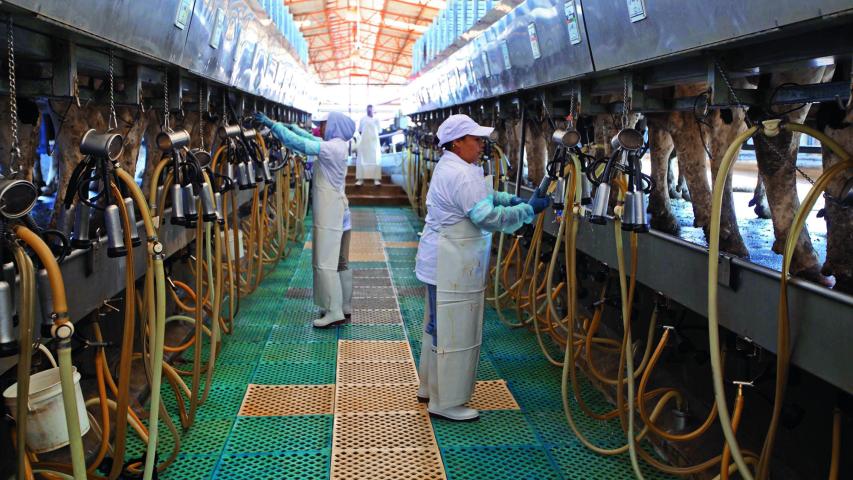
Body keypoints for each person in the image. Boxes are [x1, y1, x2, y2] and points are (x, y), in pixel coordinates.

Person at [414, 114, 551, 421]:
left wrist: (509, 198)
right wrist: (526, 210)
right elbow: (486, 217)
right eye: (475, 139)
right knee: (452, 332)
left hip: (446, 260)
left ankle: (429, 388)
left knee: (437, 326)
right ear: (457, 142)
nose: (481, 144)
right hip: (451, 263)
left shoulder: (456, 166)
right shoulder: (460, 174)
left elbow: (483, 195)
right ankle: (445, 403)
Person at [255, 111, 354, 328]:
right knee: (340, 262)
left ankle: (333, 310)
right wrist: (289, 126)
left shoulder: (331, 148)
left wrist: (274, 126)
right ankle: (344, 306)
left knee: (325, 261)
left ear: (335, 126)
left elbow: (300, 144)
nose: (322, 128)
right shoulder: (338, 145)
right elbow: (309, 138)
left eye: (325, 124)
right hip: (340, 212)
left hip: (331, 215)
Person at [355, 104, 382, 186]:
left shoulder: (377, 119)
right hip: (364, 143)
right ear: (366, 110)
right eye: (368, 109)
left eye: (371, 109)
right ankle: (360, 180)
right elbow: (359, 130)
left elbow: (380, 130)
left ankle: (376, 180)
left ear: (374, 110)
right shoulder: (362, 119)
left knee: (376, 160)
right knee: (361, 160)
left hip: (374, 144)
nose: (369, 111)